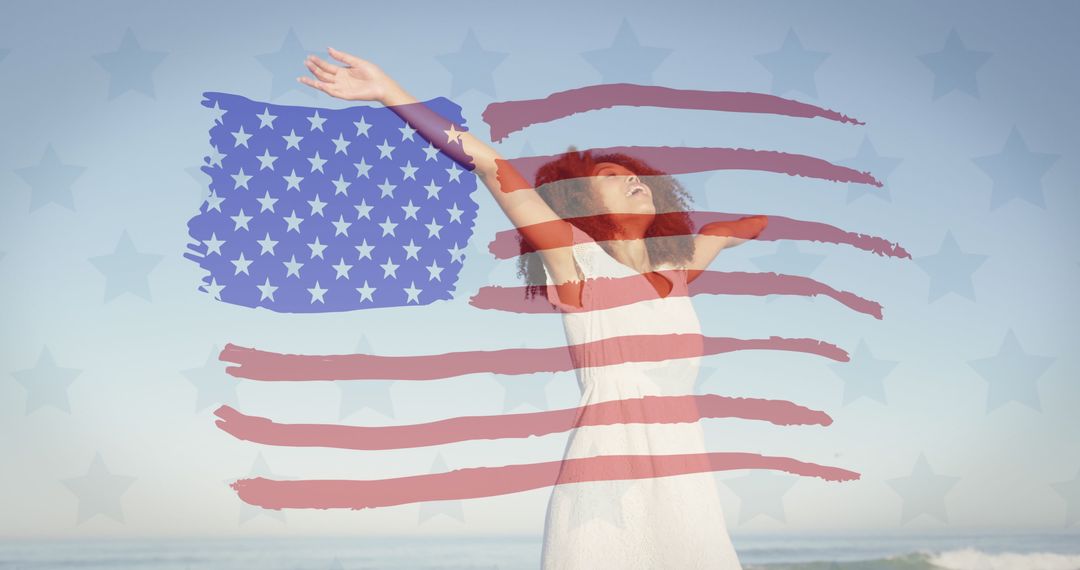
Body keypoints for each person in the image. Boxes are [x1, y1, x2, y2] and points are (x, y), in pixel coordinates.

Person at [300, 47, 767, 569]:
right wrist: (391, 93)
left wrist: (745, 227)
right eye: (611, 176)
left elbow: (727, 233)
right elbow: (488, 163)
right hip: (607, 486)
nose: (632, 179)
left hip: (687, 483)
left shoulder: (677, 271)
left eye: (634, 174)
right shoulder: (575, 260)